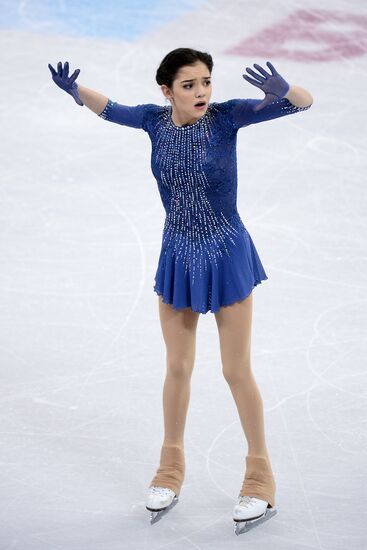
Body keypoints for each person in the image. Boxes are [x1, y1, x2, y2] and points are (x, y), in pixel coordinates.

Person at [48, 48, 313, 530]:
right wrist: (75, 91)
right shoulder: (153, 120)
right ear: (167, 91)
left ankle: (260, 478)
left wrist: (286, 90)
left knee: (235, 370)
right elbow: (111, 109)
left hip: (227, 253)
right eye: (190, 85)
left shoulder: (228, 117)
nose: (202, 93)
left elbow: (303, 103)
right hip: (178, 255)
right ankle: (169, 470)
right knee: (177, 366)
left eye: (206, 82)